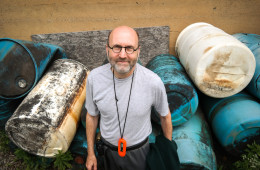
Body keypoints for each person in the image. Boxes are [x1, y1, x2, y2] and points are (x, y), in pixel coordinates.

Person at [85, 25, 172, 170]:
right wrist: (90, 153)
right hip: (106, 152)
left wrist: (167, 153)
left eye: (129, 48)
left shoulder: (153, 82)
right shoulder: (94, 78)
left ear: (138, 51)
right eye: (117, 47)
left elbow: (165, 116)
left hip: (140, 153)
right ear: (107, 50)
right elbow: (91, 116)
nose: (123, 55)